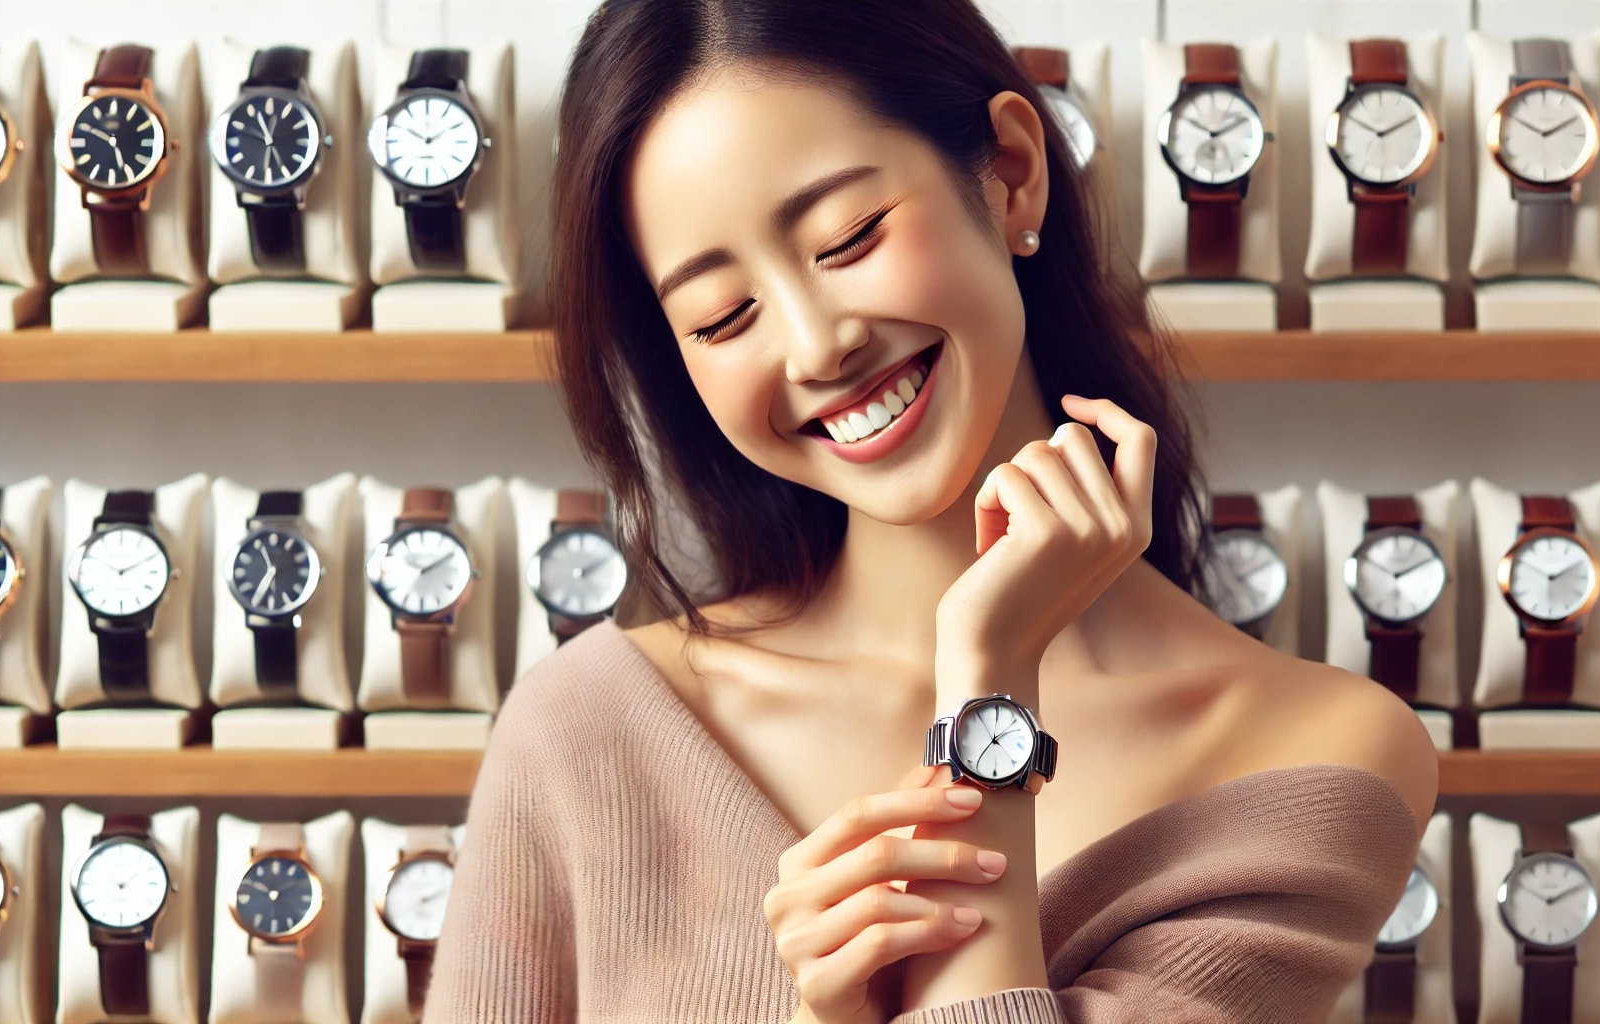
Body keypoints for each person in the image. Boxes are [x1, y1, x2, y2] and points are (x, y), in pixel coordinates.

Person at [426, 0, 1437, 1020]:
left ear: (1008, 172)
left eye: (849, 235)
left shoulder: (1317, 755)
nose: (817, 348)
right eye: (722, 315)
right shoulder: (585, 732)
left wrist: (986, 677)